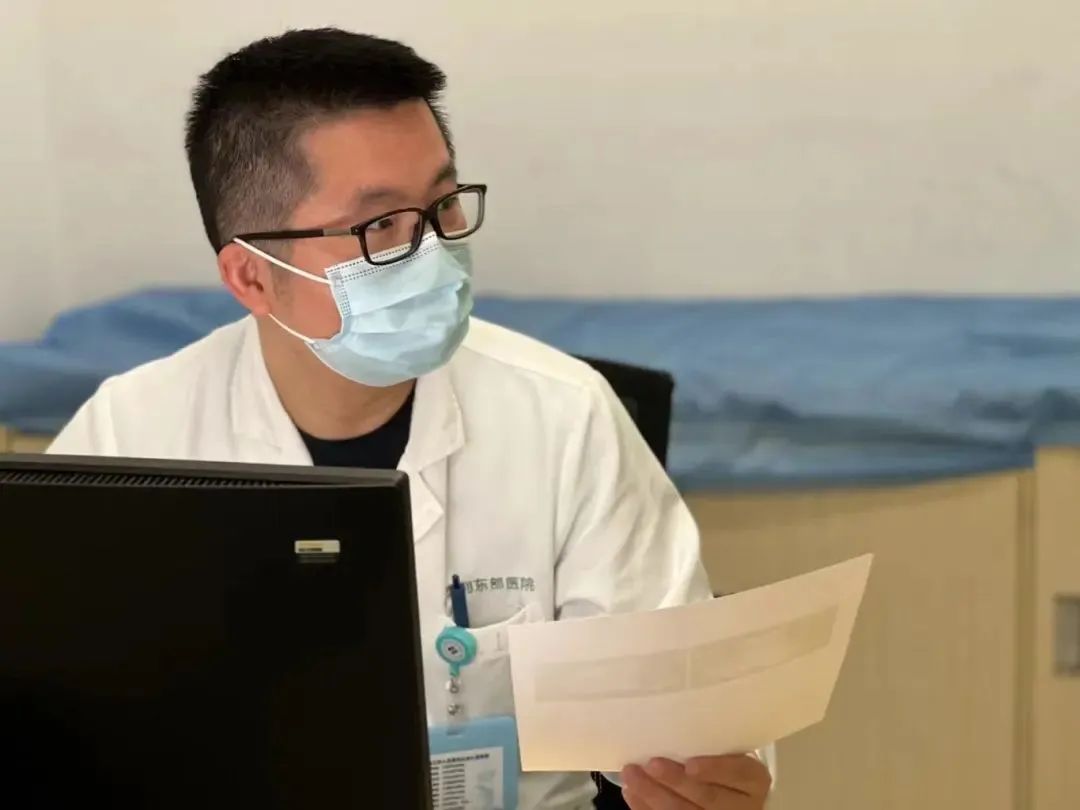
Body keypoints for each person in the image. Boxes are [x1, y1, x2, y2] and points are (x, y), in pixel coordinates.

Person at [48, 28, 773, 810]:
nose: (433, 252)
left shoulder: (565, 414)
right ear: (251, 275)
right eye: (380, 227)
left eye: (443, 205)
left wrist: (702, 783)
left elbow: (680, 711)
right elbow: (53, 714)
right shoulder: (127, 438)